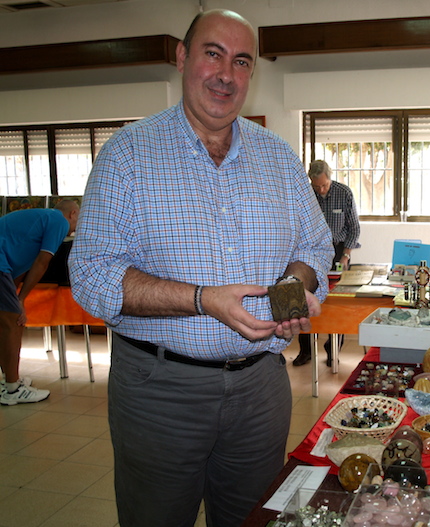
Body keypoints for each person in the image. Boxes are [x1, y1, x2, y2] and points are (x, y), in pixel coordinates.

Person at [68, 9, 333, 527]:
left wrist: (289, 295)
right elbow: (93, 274)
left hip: (260, 389)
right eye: (213, 54)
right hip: (160, 389)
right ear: (182, 57)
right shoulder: (127, 155)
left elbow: (315, 245)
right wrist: (202, 299)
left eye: (241, 61)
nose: (226, 74)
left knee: (252, 519)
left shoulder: (279, 158)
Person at [0, 199, 80, 405]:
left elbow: (20, 269)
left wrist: (17, 298)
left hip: (4, 267)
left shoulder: (41, 221)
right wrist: (20, 300)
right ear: (72, 213)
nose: (75, 229)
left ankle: (9, 380)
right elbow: (42, 263)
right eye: (78, 219)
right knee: (13, 323)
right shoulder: (58, 221)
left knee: (7, 322)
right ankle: (12, 389)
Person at [293, 159, 361, 366]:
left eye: (324, 185)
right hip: (310, 252)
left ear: (330, 178)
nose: (321, 190)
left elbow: (354, 228)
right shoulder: (304, 194)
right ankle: (305, 350)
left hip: (339, 251)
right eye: (317, 186)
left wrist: (346, 255)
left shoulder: (344, 193)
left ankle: (333, 351)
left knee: (337, 300)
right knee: (305, 297)